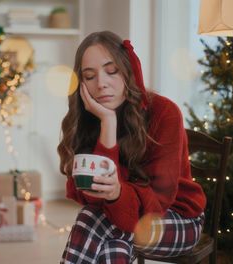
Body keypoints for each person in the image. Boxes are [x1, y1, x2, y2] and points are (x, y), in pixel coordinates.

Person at [57, 31, 206, 263]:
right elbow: (90, 198)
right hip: (116, 220)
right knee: (109, 237)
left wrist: (116, 193)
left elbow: (157, 205)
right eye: (89, 76)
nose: (101, 84)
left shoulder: (164, 112)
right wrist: (107, 122)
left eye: (111, 71)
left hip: (177, 220)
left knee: (95, 219)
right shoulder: (88, 118)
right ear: (81, 84)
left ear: (127, 70)